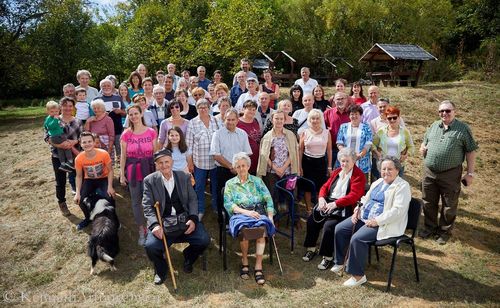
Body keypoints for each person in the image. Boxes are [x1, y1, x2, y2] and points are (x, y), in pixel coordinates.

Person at [332, 157, 411, 287]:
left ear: (397, 170)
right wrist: (357, 209)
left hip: (384, 224)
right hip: (364, 217)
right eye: (383, 169)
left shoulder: (402, 186)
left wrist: (377, 221)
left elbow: (398, 211)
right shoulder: (378, 182)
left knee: (357, 239)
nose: (386, 172)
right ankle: (340, 262)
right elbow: (364, 198)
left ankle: (358, 276)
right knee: (340, 229)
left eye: (390, 169)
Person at [143, 149, 210, 284]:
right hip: (163, 224)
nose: (164, 165)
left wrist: (193, 218)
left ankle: (189, 257)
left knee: (203, 240)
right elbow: (147, 206)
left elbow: (192, 199)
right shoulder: (149, 181)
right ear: (156, 165)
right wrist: (155, 225)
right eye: (160, 163)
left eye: (167, 161)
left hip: (184, 221)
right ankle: (161, 270)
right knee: (150, 246)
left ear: (172, 162)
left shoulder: (183, 177)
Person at [419, 100, 478, 244]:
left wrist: (470, 173)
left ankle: (444, 231)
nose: (444, 113)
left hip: (450, 173)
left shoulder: (463, 129)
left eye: (447, 110)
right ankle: (430, 227)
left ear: (454, 111)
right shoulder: (434, 126)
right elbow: (424, 142)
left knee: (449, 203)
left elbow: (471, 151)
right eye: (441, 111)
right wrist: (422, 148)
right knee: (428, 201)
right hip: (429, 172)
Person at [302, 148, 366, 269]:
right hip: (329, 202)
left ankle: (327, 257)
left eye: (347, 161)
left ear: (354, 161)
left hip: (345, 207)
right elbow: (325, 187)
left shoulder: (359, 175)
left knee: (329, 227)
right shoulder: (337, 172)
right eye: (342, 161)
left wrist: (336, 204)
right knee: (312, 220)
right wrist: (321, 198)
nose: (344, 164)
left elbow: (354, 196)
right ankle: (311, 248)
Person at [224, 152, 275, 285]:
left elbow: (268, 199)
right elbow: (229, 204)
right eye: (238, 166)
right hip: (240, 214)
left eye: (244, 165)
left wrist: (270, 217)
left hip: (258, 213)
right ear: (235, 168)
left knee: (261, 230)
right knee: (244, 231)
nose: (241, 169)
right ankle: (245, 260)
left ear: (248, 166)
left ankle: (258, 265)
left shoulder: (257, 181)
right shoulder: (230, 184)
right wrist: (246, 212)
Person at [119, 105, 158, 245]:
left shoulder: (151, 132)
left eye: (136, 113)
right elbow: (123, 155)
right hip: (133, 169)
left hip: (149, 169)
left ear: (141, 114)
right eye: (131, 114)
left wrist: (159, 172)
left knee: (151, 199)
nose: (134, 116)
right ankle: (142, 229)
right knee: (136, 201)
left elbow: (156, 153)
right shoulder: (126, 134)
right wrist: (121, 174)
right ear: (128, 117)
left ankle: (152, 225)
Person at [210, 108, 252, 221]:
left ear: (238, 120)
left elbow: (247, 153)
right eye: (228, 119)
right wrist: (231, 166)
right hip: (223, 171)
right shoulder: (217, 134)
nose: (231, 122)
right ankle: (223, 221)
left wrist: (239, 168)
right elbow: (215, 155)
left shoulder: (242, 134)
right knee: (223, 196)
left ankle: (238, 219)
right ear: (224, 119)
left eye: (233, 119)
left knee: (239, 197)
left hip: (240, 172)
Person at [45, 97, 82, 216]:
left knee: (78, 177)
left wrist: (74, 142)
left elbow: (82, 137)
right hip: (57, 156)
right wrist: (59, 144)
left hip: (74, 155)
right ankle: (62, 203)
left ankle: (81, 198)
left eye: (70, 106)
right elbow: (47, 137)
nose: (67, 108)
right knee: (60, 181)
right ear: (60, 107)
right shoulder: (52, 119)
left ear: (74, 107)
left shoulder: (78, 121)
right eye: (65, 105)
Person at [74, 132, 116, 230]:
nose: (87, 144)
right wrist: (77, 192)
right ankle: (88, 218)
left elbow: (110, 170)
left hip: (103, 178)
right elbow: (79, 176)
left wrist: (110, 186)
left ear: (94, 142)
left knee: (110, 196)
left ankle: (113, 219)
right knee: (80, 199)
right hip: (89, 180)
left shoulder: (103, 154)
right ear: (80, 144)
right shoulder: (79, 158)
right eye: (84, 142)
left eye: (89, 141)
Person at [186, 99, 220, 219]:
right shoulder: (192, 123)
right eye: (200, 107)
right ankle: (200, 209)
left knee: (216, 186)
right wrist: (190, 163)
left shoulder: (216, 120)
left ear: (209, 108)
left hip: (216, 162)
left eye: (205, 106)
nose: (203, 109)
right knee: (199, 187)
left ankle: (216, 206)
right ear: (197, 109)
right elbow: (188, 145)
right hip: (199, 162)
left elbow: (220, 139)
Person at [257, 111, 299, 205]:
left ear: (284, 120)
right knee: (272, 196)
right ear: (272, 120)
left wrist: (283, 168)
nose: (279, 121)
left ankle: (290, 217)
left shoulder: (290, 135)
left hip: (287, 171)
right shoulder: (267, 136)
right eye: (276, 118)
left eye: (281, 119)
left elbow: (293, 153)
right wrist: (276, 169)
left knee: (289, 195)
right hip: (271, 171)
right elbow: (264, 154)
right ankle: (273, 217)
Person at [298, 109, 332, 214]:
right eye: (313, 118)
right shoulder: (305, 132)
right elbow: (300, 150)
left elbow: (329, 150)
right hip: (307, 162)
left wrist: (329, 166)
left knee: (320, 187)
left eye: (317, 118)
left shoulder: (327, 133)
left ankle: (319, 209)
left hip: (321, 162)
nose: (315, 120)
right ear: (309, 120)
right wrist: (300, 166)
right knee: (307, 187)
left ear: (321, 119)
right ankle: (309, 209)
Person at [372, 106, 414, 177]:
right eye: (389, 118)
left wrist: (406, 155)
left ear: (399, 117)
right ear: (386, 119)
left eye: (394, 117)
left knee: (396, 187)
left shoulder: (405, 132)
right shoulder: (381, 131)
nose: (392, 120)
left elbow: (411, 146)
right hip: (384, 166)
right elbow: (373, 145)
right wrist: (377, 153)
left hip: (398, 165)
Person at [336, 104, 373, 180]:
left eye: (356, 114)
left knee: (361, 183)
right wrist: (346, 154)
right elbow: (339, 142)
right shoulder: (343, 127)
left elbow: (368, 143)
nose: (354, 116)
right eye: (352, 114)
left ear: (360, 115)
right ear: (349, 116)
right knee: (345, 182)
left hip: (362, 160)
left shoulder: (366, 127)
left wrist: (360, 155)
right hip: (346, 160)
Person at [94, 79, 126, 164]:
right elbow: (93, 116)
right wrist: (102, 115)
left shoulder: (118, 98)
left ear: (112, 87)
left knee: (120, 153)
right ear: (100, 87)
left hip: (118, 129)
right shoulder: (97, 99)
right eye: (104, 86)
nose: (106, 87)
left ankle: (121, 174)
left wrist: (120, 112)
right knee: (105, 155)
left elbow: (125, 113)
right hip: (103, 133)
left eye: (108, 85)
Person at [45, 101, 75, 172]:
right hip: (56, 136)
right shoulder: (50, 118)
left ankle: (62, 163)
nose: (55, 113)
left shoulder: (54, 117)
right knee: (67, 146)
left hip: (56, 136)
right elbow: (49, 126)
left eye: (56, 111)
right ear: (48, 112)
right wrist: (56, 120)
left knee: (60, 150)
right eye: (52, 111)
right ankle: (70, 161)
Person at [324, 92, 351, 167]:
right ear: (334, 101)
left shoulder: (351, 113)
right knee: (331, 172)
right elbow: (323, 129)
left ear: (347, 100)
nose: (340, 101)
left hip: (348, 149)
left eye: (342, 99)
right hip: (332, 149)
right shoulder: (327, 113)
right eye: (338, 99)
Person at [237, 101, 262, 174]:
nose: (252, 111)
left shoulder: (255, 121)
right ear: (244, 109)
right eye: (249, 109)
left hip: (256, 157)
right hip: (244, 158)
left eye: (254, 110)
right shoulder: (238, 123)